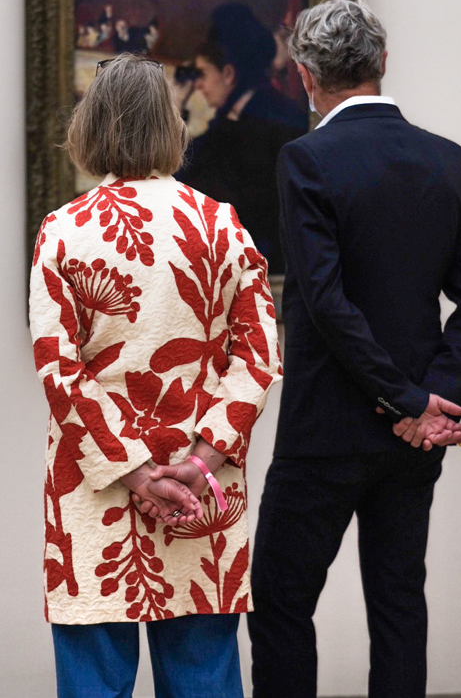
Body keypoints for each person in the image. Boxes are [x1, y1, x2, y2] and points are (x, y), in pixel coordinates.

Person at [248, 0, 461, 698]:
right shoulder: (449, 161)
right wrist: (431, 400)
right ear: (383, 63)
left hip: (323, 431)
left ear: (304, 76)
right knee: (399, 606)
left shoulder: (306, 159)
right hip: (410, 442)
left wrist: (415, 401)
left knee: (279, 606)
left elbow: (326, 303)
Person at [29, 53, 282, 698]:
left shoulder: (63, 232)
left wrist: (135, 471)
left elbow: (59, 369)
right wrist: (195, 465)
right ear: (171, 125)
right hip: (204, 490)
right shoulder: (221, 225)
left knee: (93, 685)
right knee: (204, 678)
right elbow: (259, 356)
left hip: (94, 493)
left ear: (94, 126)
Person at [178, 2, 308, 274]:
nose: (198, 84)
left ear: (228, 73)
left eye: (202, 74)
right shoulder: (238, 118)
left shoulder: (254, 126)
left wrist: (177, 108)